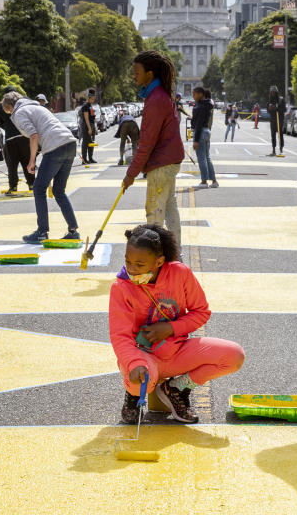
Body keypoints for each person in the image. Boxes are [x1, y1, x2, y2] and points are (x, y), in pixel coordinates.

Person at [109, 224, 244, 424]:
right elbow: (120, 336)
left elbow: (201, 312)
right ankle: (133, 396)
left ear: (159, 261)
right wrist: (135, 364)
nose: (131, 269)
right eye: (128, 262)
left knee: (234, 356)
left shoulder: (180, 273)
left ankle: (176, 389)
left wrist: (171, 328)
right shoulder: (120, 287)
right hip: (143, 357)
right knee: (141, 381)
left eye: (139, 264)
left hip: (177, 352)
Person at [123, 50, 185, 251]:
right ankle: (175, 256)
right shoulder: (160, 95)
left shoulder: (156, 99)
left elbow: (147, 142)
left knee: (154, 213)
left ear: (149, 74)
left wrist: (130, 174)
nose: (134, 76)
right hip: (169, 162)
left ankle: (156, 260)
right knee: (169, 209)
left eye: (137, 72)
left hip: (161, 164)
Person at [1, 92, 80, 243]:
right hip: (69, 143)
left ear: (10, 107)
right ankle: (73, 230)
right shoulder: (37, 107)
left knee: (38, 189)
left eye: (8, 111)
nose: (10, 114)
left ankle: (42, 231)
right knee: (58, 191)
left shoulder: (19, 113)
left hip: (54, 147)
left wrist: (31, 161)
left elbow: (33, 135)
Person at [0, 86, 35, 196]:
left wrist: (9, 128)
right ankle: (32, 184)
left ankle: (13, 187)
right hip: (24, 135)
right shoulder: (23, 102)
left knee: (12, 165)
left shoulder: (1, 105)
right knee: (27, 161)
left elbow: (0, 122)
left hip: (10, 139)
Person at [191, 86, 218, 189]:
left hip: (201, 132)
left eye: (195, 94)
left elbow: (198, 123)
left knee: (201, 158)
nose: (193, 96)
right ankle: (214, 181)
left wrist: (196, 140)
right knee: (207, 157)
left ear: (201, 94)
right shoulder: (206, 104)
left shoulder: (201, 106)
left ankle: (204, 181)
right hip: (206, 131)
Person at [79, 89, 98, 164]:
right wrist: (89, 128)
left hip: (92, 125)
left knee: (91, 143)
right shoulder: (85, 106)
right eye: (92, 99)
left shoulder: (90, 105)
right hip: (87, 126)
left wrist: (94, 128)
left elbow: (92, 118)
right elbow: (86, 118)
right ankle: (84, 159)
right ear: (89, 98)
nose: (93, 100)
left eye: (94, 99)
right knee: (85, 143)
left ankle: (90, 158)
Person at [267, 86, 286, 156]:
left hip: (280, 119)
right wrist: (270, 108)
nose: (273, 94)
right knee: (273, 135)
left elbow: (284, 109)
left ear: (276, 92)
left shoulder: (281, 100)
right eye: (271, 92)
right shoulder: (270, 101)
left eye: (274, 92)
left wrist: (277, 108)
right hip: (273, 120)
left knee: (280, 134)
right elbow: (268, 110)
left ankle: (281, 149)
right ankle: (273, 150)